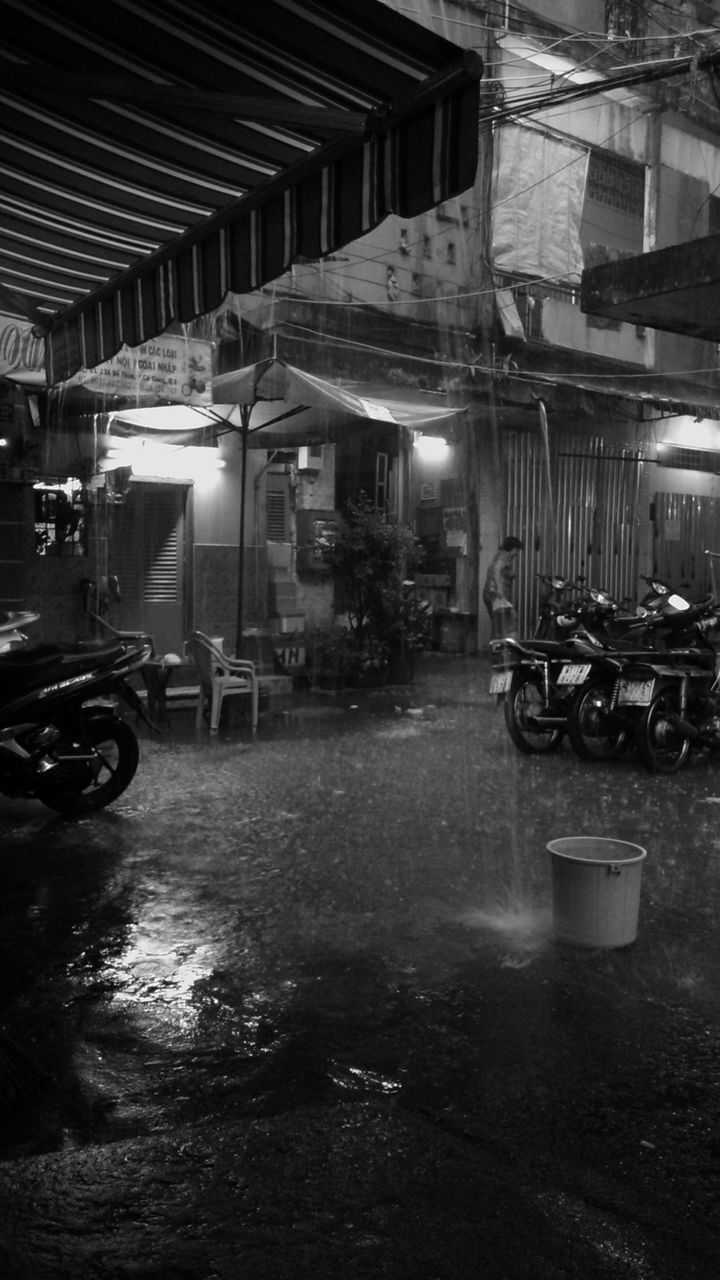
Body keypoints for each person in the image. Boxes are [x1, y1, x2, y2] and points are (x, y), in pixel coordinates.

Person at [483, 535, 524, 640]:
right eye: (517, 550)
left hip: (491, 594)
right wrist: (500, 590)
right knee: (506, 622)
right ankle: (499, 651)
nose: (516, 553)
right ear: (513, 548)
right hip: (497, 596)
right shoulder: (504, 557)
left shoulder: (500, 556)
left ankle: (496, 650)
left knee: (498, 623)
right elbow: (497, 571)